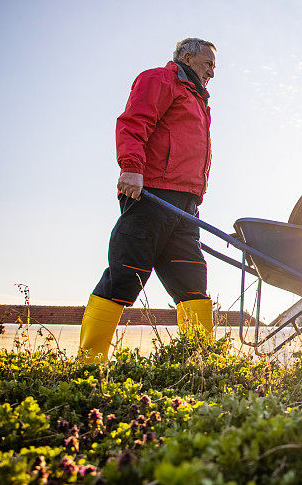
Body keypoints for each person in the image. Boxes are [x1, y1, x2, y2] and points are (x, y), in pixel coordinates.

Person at [78, 38, 217, 363]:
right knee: (126, 273)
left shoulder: (198, 102)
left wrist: (195, 196)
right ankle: (88, 365)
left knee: (192, 282)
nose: (212, 71)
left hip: (185, 207)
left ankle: (202, 365)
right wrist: (131, 169)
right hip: (152, 195)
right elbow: (134, 122)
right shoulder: (160, 80)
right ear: (186, 56)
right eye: (208, 63)